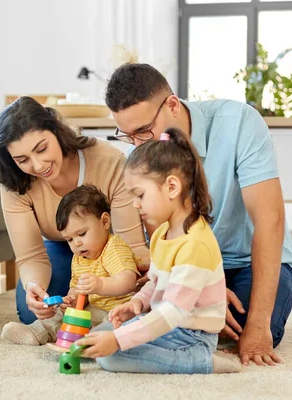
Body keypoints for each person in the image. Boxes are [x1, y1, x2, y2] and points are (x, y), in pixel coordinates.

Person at [103, 63, 292, 366]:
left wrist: (257, 325)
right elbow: (158, 238)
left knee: (246, 331)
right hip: (189, 265)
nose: (139, 145)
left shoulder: (239, 123)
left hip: (247, 261)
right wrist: (201, 290)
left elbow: (270, 221)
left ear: (172, 105)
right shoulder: (141, 153)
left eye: (144, 131)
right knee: (141, 316)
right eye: (128, 136)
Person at [78, 128, 241, 374]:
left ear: (172, 187)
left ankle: (199, 361)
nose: (135, 204)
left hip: (191, 334)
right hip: (166, 322)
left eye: (140, 195)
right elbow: (156, 282)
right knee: (99, 336)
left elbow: (173, 312)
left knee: (111, 357)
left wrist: (119, 340)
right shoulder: (163, 232)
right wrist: (137, 303)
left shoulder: (195, 244)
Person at [0, 96, 149, 325]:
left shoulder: (107, 159)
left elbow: (130, 245)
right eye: (22, 159)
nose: (37, 166)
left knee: (127, 305)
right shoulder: (15, 183)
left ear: (56, 131)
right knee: (35, 314)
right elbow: (31, 256)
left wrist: (145, 275)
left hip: (112, 249)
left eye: (42, 149)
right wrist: (33, 287)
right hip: (61, 248)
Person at [0, 185, 141, 345]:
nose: (77, 243)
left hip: (119, 311)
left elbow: (128, 281)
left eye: (81, 234)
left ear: (105, 221)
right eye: (69, 239)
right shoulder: (80, 257)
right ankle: (36, 332)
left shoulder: (114, 247)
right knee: (62, 317)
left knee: (107, 327)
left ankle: (93, 341)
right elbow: (77, 288)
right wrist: (72, 299)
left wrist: (100, 284)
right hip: (94, 309)